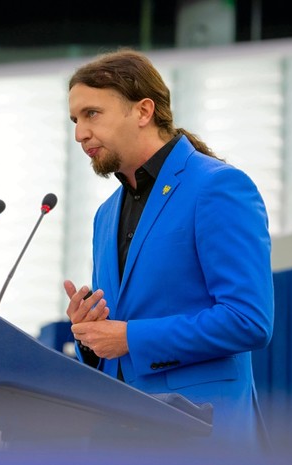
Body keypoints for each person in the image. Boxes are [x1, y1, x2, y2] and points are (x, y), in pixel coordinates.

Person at [64, 49, 274, 452]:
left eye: (92, 114)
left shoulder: (217, 187)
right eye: (75, 120)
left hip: (202, 436)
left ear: (143, 111)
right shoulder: (105, 215)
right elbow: (117, 343)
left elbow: (249, 320)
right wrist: (91, 336)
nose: (80, 134)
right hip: (120, 440)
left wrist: (129, 337)